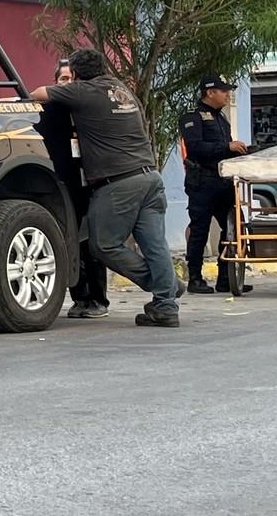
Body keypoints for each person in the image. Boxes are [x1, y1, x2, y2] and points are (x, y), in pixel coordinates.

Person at [30, 48, 183, 327]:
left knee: (103, 245)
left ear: (75, 75)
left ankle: (168, 287)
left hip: (118, 183)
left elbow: (38, 94)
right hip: (150, 177)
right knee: (155, 245)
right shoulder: (122, 89)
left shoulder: (82, 91)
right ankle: (165, 303)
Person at [36, 58, 109, 319]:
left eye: (71, 79)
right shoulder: (48, 111)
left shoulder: (91, 108)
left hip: (93, 182)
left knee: (92, 242)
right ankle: (79, 297)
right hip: (61, 184)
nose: (68, 84)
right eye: (63, 80)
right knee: (69, 240)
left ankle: (99, 298)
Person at [180, 76, 253, 295]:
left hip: (223, 181)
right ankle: (195, 278)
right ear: (210, 92)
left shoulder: (222, 119)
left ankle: (225, 277)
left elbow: (225, 149)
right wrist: (227, 146)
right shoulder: (191, 118)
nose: (227, 94)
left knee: (233, 227)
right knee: (199, 230)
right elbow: (195, 147)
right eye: (223, 91)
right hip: (202, 181)